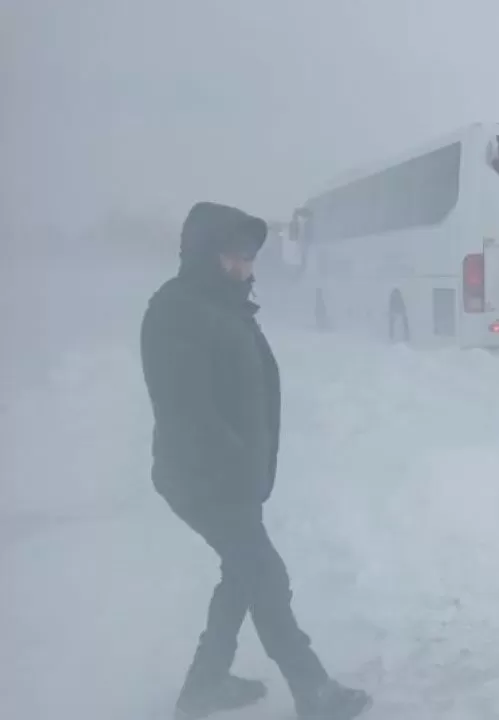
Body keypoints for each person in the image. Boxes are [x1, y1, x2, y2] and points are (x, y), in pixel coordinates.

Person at [140, 202, 371, 720]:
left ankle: (206, 683)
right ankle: (313, 691)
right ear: (203, 254)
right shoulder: (178, 312)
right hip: (204, 479)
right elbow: (187, 408)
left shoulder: (221, 306)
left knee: (243, 574)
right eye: (231, 257)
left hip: (231, 477)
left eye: (248, 258)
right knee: (265, 577)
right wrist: (236, 458)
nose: (243, 268)